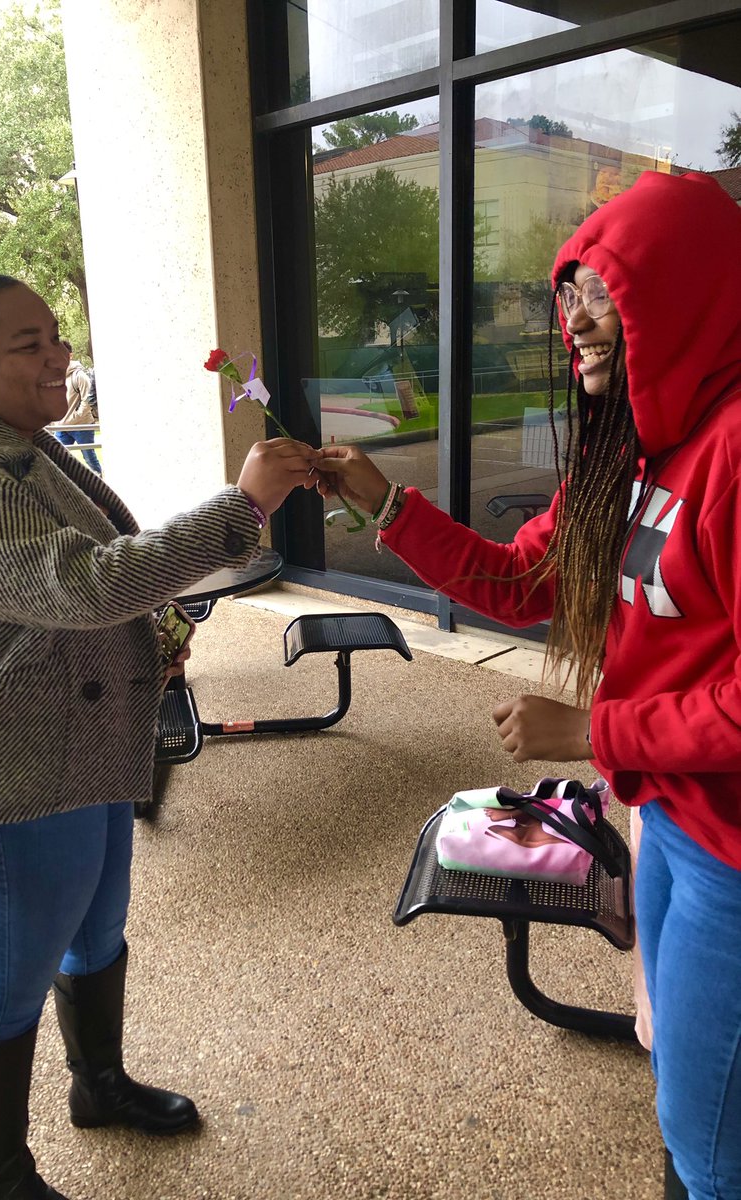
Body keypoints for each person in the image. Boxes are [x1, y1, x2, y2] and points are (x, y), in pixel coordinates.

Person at [314, 171, 741, 1200]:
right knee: (680, 1073)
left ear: (686, 294)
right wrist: (384, 503)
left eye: (606, 293)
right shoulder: (638, 449)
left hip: (731, 849)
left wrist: (598, 728)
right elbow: (518, 576)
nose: (577, 321)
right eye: (572, 293)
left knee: (708, 1125)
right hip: (676, 818)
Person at [0, 271, 318, 1200]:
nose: (57, 358)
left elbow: (87, 582)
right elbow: (88, 585)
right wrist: (241, 509)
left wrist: (156, 637)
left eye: (56, 337)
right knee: (12, 970)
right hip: (5, 775)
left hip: (87, 745)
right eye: (26, 345)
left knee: (98, 928)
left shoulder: (25, 448)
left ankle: (98, 1084)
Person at [50, 339, 102, 473]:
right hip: (62, 426)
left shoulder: (79, 376)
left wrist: (77, 415)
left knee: (89, 458)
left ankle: (100, 484)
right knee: (58, 460)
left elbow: (88, 399)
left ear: (70, 355)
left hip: (81, 425)